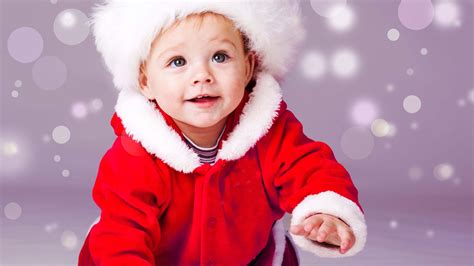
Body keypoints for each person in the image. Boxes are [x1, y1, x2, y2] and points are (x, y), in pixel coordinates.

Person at [78, 0, 367, 265]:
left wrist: (325, 211)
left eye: (220, 57)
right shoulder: (135, 156)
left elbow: (310, 167)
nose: (202, 75)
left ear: (247, 67)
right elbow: (123, 234)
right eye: (177, 62)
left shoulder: (269, 132)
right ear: (145, 81)